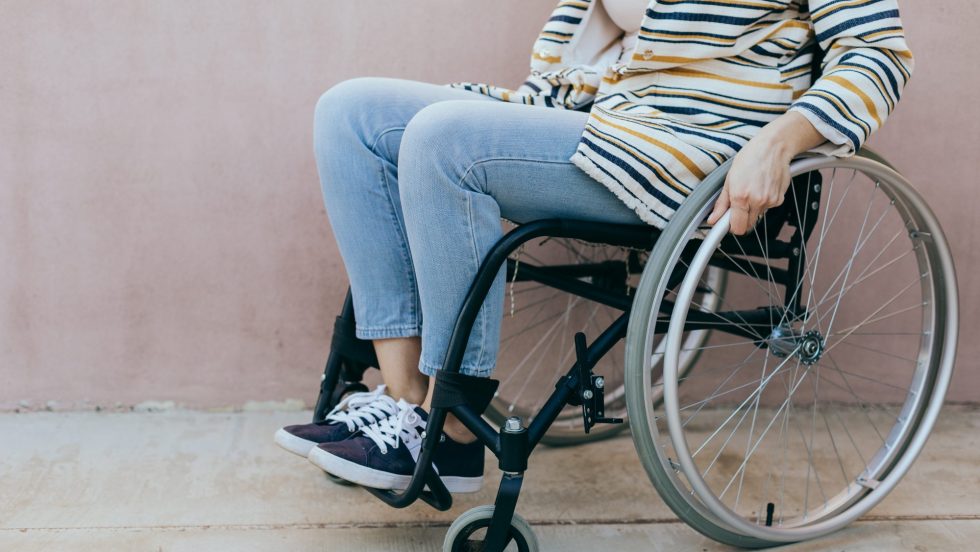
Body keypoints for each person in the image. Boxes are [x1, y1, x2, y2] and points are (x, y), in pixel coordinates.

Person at [275, 0, 914, 492]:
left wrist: (779, 142)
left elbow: (877, 56)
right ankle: (408, 403)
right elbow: (585, 61)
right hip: (607, 123)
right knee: (349, 112)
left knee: (443, 140)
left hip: (701, 149)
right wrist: (515, 108)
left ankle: (450, 426)